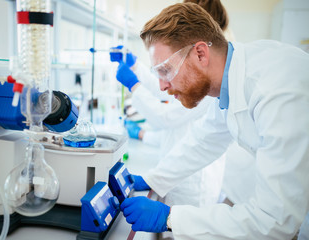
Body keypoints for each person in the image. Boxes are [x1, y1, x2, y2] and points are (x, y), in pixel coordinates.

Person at [119, 2, 309, 239]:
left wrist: (168, 218)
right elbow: (203, 140)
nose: (162, 86)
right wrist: (152, 178)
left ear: (200, 53)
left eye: (166, 70)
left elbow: (274, 221)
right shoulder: (229, 81)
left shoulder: (275, 91)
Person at [110, 0, 235, 208]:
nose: (162, 85)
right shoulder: (215, 79)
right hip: (180, 170)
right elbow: (204, 141)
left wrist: (135, 86)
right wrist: (137, 67)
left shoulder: (211, 82)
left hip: (194, 187)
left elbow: (166, 114)